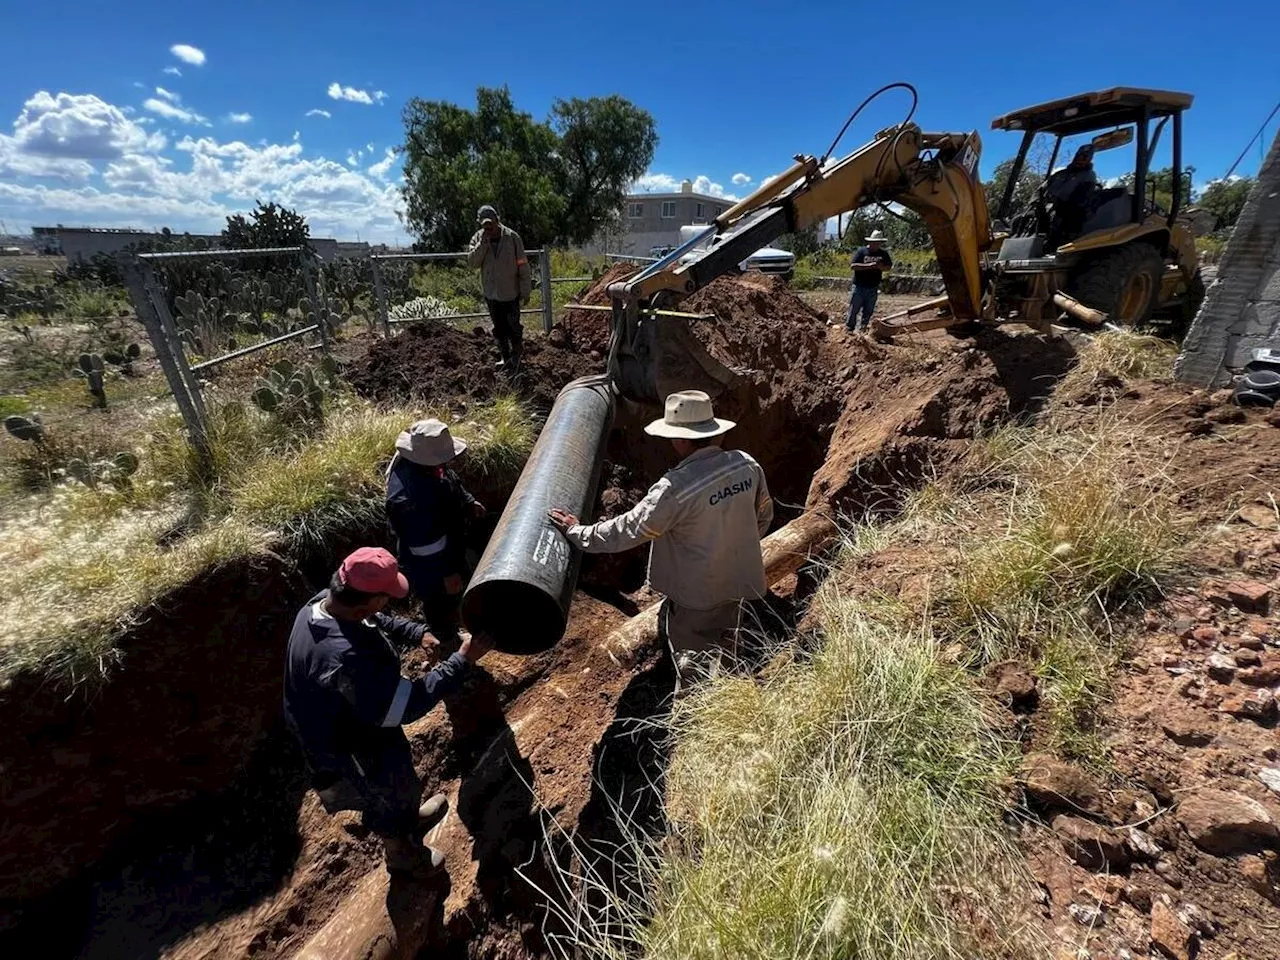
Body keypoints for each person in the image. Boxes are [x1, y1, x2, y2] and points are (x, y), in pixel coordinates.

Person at [284, 547, 493, 877]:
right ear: (366, 599)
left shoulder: (325, 603)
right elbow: (405, 706)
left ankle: (409, 820)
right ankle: (401, 854)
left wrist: (416, 633)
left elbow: (375, 619)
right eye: (387, 596)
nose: (389, 602)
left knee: (401, 783)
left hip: (360, 718)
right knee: (385, 793)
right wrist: (462, 661)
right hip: (350, 746)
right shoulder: (344, 659)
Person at [548, 390, 773, 690]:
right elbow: (764, 515)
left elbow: (629, 529)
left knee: (693, 665)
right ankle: (734, 695)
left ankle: (698, 722)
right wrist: (737, 547)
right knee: (730, 642)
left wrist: (578, 533)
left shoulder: (674, 488)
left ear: (679, 439)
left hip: (697, 598)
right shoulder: (745, 464)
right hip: (742, 581)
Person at [386, 419, 486, 648]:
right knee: (439, 599)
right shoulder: (406, 499)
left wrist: (468, 501)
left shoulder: (427, 464)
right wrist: (447, 573)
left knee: (456, 586)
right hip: (429, 563)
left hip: (448, 543)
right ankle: (446, 640)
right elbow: (425, 546)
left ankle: (456, 618)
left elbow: (449, 480)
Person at [467, 205, 532, 375]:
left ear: (497, 220)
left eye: (491, 224)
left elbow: (522, 264)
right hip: (492, 293)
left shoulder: (512, 238)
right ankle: (505, 357)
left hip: (510, 291)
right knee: (499, 328)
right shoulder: (478, 239)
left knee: (514, 326)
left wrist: (525, 289)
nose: (489, 228)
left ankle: (517, 357)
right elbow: (473, 263)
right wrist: (483, 245)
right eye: (485, 225)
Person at [1044, 145, 1099, 245]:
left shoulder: (1088, 176)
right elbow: (1044, 189)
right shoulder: (1060, 174)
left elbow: (1081, 200)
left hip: (1069, 216)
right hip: (1047, 210)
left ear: (1089, 160)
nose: (1080, 159)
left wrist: (1058, 205)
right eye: (1079, 156)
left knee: (1068, 219)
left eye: (1085, 157)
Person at [846, 229, 893, 332]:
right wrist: (868, 266)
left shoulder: (883, 254)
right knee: (854, 309)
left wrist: (880, 267)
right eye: (874, 243)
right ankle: (849, 328)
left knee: (868, 310)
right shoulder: (861, 252)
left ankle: (863, 328)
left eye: (878, 243)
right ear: (870, 242)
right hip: (859, 286)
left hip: (873, 287)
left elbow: (888, 267)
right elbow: (853, 266)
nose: (876, 245)